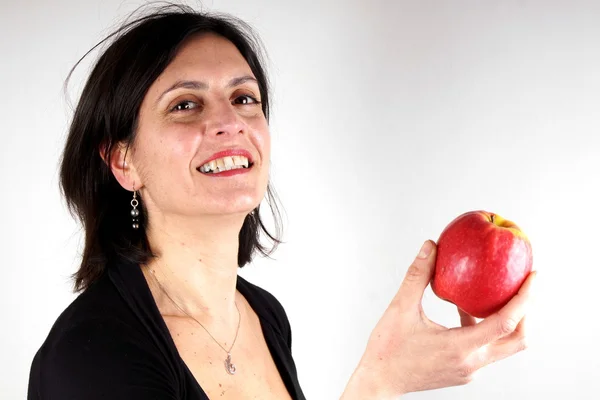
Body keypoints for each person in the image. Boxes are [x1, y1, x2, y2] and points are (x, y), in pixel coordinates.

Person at [27, 4, 536, 400]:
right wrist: (381, 380)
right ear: (123, 162)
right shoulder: (91, 353)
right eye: (185, 105)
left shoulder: (264, 316)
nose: (231, 122)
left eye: (244, 98)